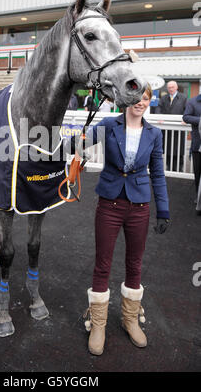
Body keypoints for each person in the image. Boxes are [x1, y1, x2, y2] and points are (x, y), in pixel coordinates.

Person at [74, 84, 169, 356]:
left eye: (146, 98)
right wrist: (73, 139)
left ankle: (130, 319)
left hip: (139, 206)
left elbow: (158, 175)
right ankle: (98, 324)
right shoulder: (108, 124)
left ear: (150, 102)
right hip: (110, 204)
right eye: (137, 97)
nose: (141, 102)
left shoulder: (154, 134)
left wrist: (163, 209)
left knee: (134, 264)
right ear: (126, 100)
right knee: (102, 264)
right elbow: (82, 145)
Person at [155, 81, 187, 171]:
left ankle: (179, 169)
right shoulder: (164, 98)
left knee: (178, 149)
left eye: (172, 87)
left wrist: (185, 119)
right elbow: (158, 108)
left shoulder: (183, 98)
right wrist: (159, 117)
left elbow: (187, 110)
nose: (171, 89)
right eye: (169, 87)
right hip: (167, 129)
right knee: (168, 148)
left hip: (179, 129)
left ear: (176, 87)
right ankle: (169, 167)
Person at [183, 93, 201, 200]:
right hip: (198, 143)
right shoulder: (192, 101)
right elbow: (186, 117)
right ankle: (198, 197)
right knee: (198, 172)